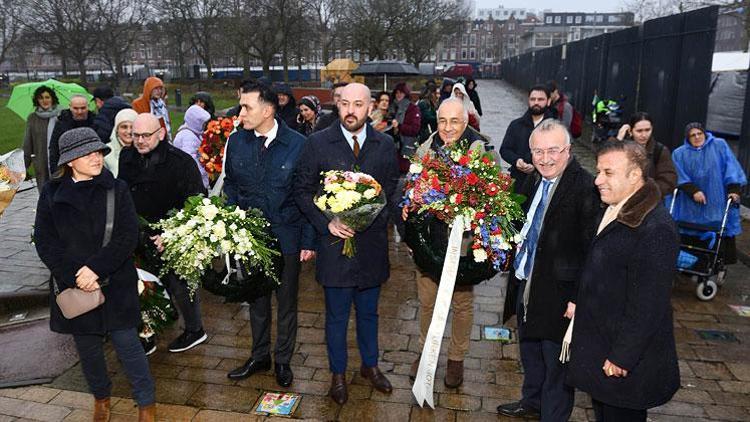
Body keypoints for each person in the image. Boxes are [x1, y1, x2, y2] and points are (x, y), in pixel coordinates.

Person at [34, 127, 156, 421]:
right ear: (70, 161)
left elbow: (127, 237)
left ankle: (146, 403)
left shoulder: (117, 188)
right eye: (87, 153)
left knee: (129, 346)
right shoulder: (51, 194)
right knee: (88, 350)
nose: (96, 157)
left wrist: (95, 269)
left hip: (116, 283)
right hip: (75, 287)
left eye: (98, 151)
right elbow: (45, 241)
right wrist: (75, 275)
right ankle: (101, 398)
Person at [294, 83, 399, 405]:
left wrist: (371, 219)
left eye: (358, 104)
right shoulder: (317, 143)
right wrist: (327, 222)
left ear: (370, 108)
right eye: (344, 104)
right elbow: (302, 188)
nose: (351, 110)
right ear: (336, 106)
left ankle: (370, 365)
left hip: (370, 249)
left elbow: (392, 189)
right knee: (336, 317)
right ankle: (337, 374)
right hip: (334, 249)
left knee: (369, 314)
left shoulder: (385, 144)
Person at [567, 140, 680, 421]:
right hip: (603, 343)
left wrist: (622, 358)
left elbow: (648, 306)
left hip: (624, 363)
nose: (597, 180)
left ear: (634, 176)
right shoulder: (616, 207)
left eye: (608, 172)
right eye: (598, 171)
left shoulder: (656, 228)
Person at [497, 119, 599, 420]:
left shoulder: (584, 188)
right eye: (537, 152)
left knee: (557, 366)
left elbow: (592, 250)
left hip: (559, 294)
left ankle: (552, 416)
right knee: (530, 351)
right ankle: (532, 403)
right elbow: (523, 224)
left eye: (553, 150)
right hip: (527, 283)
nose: (545, 159)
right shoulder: (534, 179)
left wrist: (579, 297)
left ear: (567, 150)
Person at [223, 81, 316, 388]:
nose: (240, 113)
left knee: (286, 303)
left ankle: (283, 361)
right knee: (256, 301)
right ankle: (259, 356)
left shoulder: (298, 144)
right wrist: (232, 225)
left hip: (286, 238)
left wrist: (307, 241)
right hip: (250, 240)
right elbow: (232, 186)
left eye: (246, 106)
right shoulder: (237, 142)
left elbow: (306, 195)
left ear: (268, 109)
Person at [402, 98, 496, 388]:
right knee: (427, 300)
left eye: (454, 121)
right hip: (430, 239)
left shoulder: (483, 150)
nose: (448, 127)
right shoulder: (425, 148)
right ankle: (424, 350)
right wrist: (409, 204)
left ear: (466, 121)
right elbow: (411, 185)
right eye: (443, 121)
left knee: (462, 302)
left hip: (464, 239)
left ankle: (456, 358)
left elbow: (495, 194)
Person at [118, 114, 208, 353]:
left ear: (160, 134)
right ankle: (147, 333)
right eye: (135, 135)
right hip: (138, 234)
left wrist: (171, 231)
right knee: (142, 286)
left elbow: (197, 202)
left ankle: (194, 329)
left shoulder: (181, 162)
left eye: (145, 135)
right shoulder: (126, 156)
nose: (139, 141)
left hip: (171, 235)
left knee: (179, 285)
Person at [670, 123, 747, 264]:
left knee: (720, 227)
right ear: (687, 138)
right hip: (691, 204)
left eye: (699, 133)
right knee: (690, 229)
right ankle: (692, 264)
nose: (697, 137)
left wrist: (734, 190)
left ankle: (718, 262)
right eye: (692, 135)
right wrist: (693, 191)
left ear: (705, 133)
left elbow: (731, 167)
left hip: (716, 201)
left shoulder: (719, 146)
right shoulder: (679, 153)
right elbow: (678, 174)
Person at [500, 85, 555, 192]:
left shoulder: (555, 128)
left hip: (544, 184)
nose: (536, 102)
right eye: (533, 99)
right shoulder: (516, 125)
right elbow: (505, 150)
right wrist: (517, 161)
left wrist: (536, 166)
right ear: (528, 101)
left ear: (548, 101)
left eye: (540, 99)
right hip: (518, 183)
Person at [615, 112, 677, 198]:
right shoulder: (621, 149)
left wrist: (647, 194)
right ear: (630, 131)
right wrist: (617, 141)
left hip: (650, 203)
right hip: (622, 199)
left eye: (647, 130)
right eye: (639, 131)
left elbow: (669, 180)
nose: (644, 135)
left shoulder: (659, 150)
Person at [23, 85, 60, 191]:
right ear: (37, 100)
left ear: (52, 98)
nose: (44, 100)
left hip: (59, 162)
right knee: (45, 194)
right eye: (41, 98)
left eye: (47, 97)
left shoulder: (61, 115)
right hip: (41, 163)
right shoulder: (32, 118)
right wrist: (23, 166)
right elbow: (27, 144)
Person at [48, 94, 96, 173]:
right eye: (76, 108)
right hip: (67, 170)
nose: (79, 112)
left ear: (88, 106)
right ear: (70, 107)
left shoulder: (96, 123)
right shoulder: (61, 124)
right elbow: (54, 149)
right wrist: (55, 172)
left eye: (83, 108)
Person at [174, 104, 212, 189]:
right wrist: (203, 175)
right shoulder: (188, 137)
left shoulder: (192, 133)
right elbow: (191, 161)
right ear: (195, 122)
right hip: (191, 182)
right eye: (203, 123)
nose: (205, 126)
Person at [132, 76, 172, 141]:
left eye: (160, 88)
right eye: (156, 88)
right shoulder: (138, 104)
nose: (159, 91)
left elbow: (167, 123)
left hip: (162, 137)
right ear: (149, 89)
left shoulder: (161, 104)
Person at [389, 82, 421, 157]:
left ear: (406, 94)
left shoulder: (412, 108)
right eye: (397, 93)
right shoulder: (391, 107)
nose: (398, 95)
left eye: (401, 93)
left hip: (407, 145)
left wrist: (399, 126)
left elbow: (415, 129)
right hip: (392, 145)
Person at [103, 108, 137, 178]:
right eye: (124, 127)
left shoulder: (143, 149)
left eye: (132, 127)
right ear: (117, 130)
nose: (129, 131)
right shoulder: (106, 151)